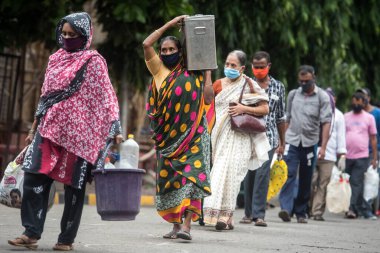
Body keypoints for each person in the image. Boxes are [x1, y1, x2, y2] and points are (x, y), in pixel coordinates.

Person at [8, 12, 122, 251]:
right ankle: (31, 233)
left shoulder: (93, 61)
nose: (67, 38)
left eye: (73, 34)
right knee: (33, 178)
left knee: (74, 187)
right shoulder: (55, 58)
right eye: (64, 33)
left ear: (85, 36)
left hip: (79, 136)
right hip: (49, 129)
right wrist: (33, 127)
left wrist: (115, 126)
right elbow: (45, 96)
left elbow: (106, 95)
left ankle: (65, 240)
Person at [142, 15, 214, 241]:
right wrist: (170, 24)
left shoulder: (194, 71)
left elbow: (209, 99)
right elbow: (146, 43)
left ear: (180, 50)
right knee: (171, 180)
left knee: (191, 179)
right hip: (167, 140)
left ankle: (187, 226)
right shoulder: (158, 70)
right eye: (163, 50)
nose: (166, 53)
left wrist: (207, 69)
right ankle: (175, 225)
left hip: (193, 136)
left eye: (171, 49)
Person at [203, 50, 271, 230]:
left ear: (242, 68)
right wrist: (208, 74)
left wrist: (244, 108)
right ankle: (218, 215)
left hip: (241, 137)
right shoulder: (218, 84)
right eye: (227, 64)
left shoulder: (249, 84)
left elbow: (265, 108)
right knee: (218, 174)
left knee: (233, 176)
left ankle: (226, 217)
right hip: (220, 137)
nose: (229, 68)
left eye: (233, 65)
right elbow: (207, 99)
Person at [279, 65, 332, 223]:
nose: (303, 84)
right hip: (293, 141)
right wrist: (281, 142)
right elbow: (287, 119)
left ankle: (301, 211)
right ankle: (286, 209)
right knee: (288, 173)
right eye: (301, 81)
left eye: (306, 81)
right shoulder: (293, 94)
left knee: (306, 178)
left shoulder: (322, 97)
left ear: (313, 78)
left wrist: (323, 147)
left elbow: (326, 122)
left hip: (310, 143)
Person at [239, 51, 286, 227]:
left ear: (269, 66)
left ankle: (259, 215)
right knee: (249, 175)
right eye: (256, 67)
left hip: (269, 137)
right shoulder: (245, 85)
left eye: (262, 67)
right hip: (249, 136)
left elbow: (281, 116)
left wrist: (282, 142)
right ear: (252, 67)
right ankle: (248, 213)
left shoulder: (278, 87)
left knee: (262, 174)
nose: (259, 70)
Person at [310, 87, 347, 221]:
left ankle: (316, 212)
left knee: (323, 184)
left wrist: (342, 154)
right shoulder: (315, 111)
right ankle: (307, 209)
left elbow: (341, 136)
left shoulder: (338, 115)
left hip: (329, 155)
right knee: (311, 181)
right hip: (312, 150)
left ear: (334, 99)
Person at [344, 91, 378, 220]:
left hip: (362, 155)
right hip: (347, 156)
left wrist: (374, 158)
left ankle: (352, 209)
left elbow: (373, 139)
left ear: (364, 103)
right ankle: (355, 207)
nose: (355, 104)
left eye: (358, 101)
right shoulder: (346, 116)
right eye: (354, 101)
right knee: (348, 182)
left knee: (356, 182)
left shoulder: (369, 118)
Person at [356, 88, 380, 216]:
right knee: (359, 180)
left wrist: (376, 155)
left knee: (372, 181)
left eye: (363, 97)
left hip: (373, 151)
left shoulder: (377, 113)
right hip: (358, 152)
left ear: (368, 98)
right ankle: (359, 208)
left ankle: (370, 209)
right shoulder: (356, 113)